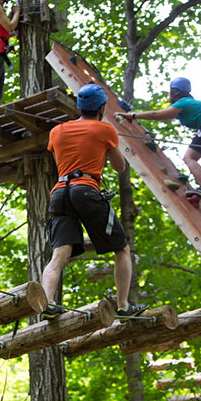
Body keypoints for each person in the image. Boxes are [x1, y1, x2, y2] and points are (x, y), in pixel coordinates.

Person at [41, 84, 147, 321]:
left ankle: (46, 303)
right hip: (86, 190)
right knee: (121, 248)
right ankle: (123, 306)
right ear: (101, 107)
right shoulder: (105, 130)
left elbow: (60, 160)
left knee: (59, 254)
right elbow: (120, 167)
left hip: (59, 193)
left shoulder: (57, 131)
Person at [116, 77, 201, 227]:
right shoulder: (191, 105)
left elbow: (157, 115)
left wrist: (132, 116)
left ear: (174, 92)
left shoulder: (183, 103)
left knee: (189, 157)